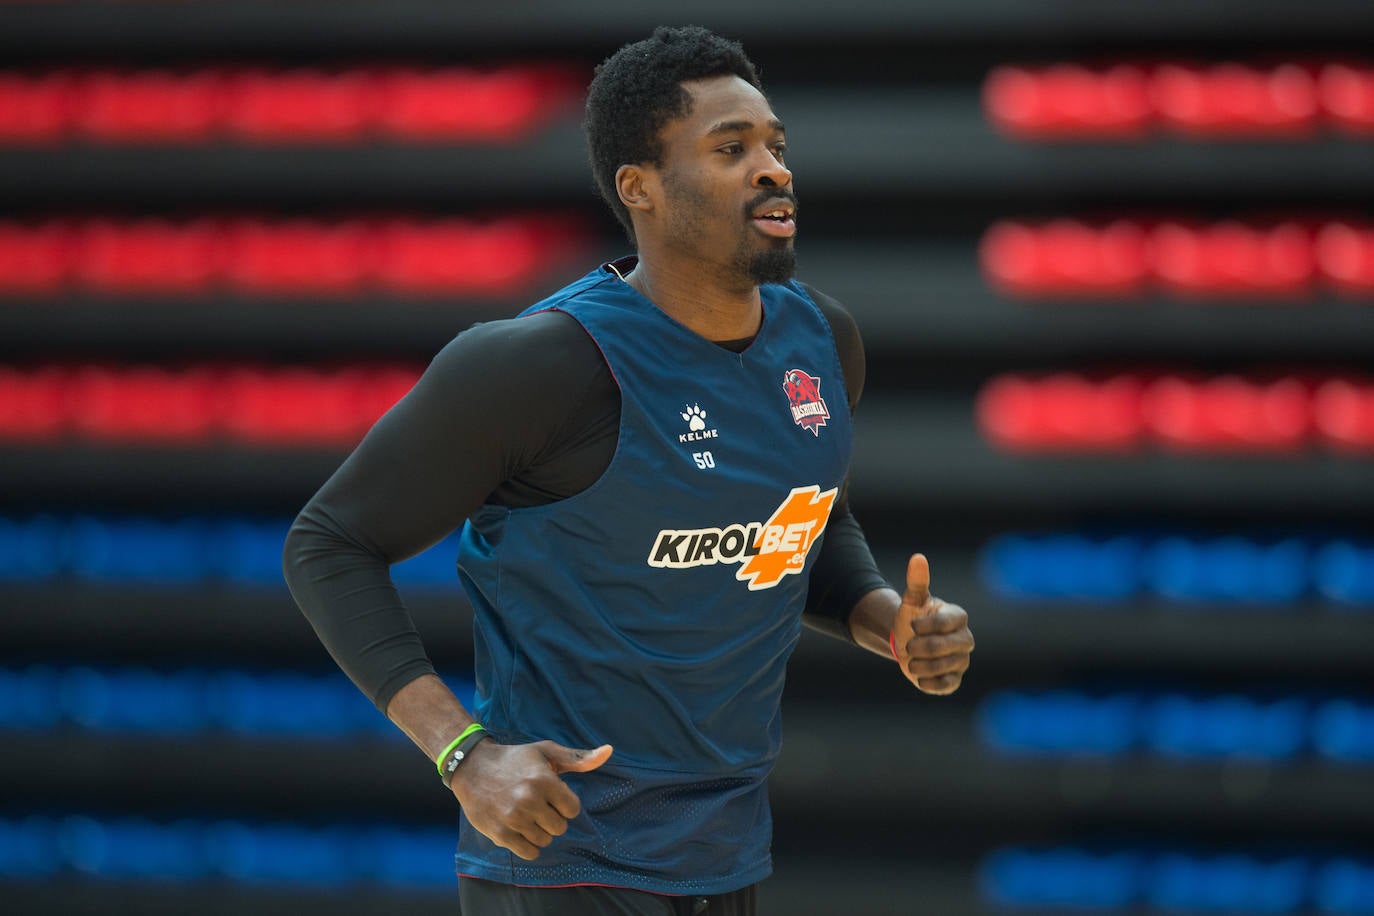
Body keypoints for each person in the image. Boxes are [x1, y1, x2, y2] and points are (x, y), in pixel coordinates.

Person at [283, 24, 974, 916]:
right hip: (562, 859)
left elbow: (800, 511)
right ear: (639, 189)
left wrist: (887, 622)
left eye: (776, 145)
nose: (774, 169)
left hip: (726, 853)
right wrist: (464, 754)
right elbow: (329, 543)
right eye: (732, 149)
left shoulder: (824, 341)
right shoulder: (539, 366)